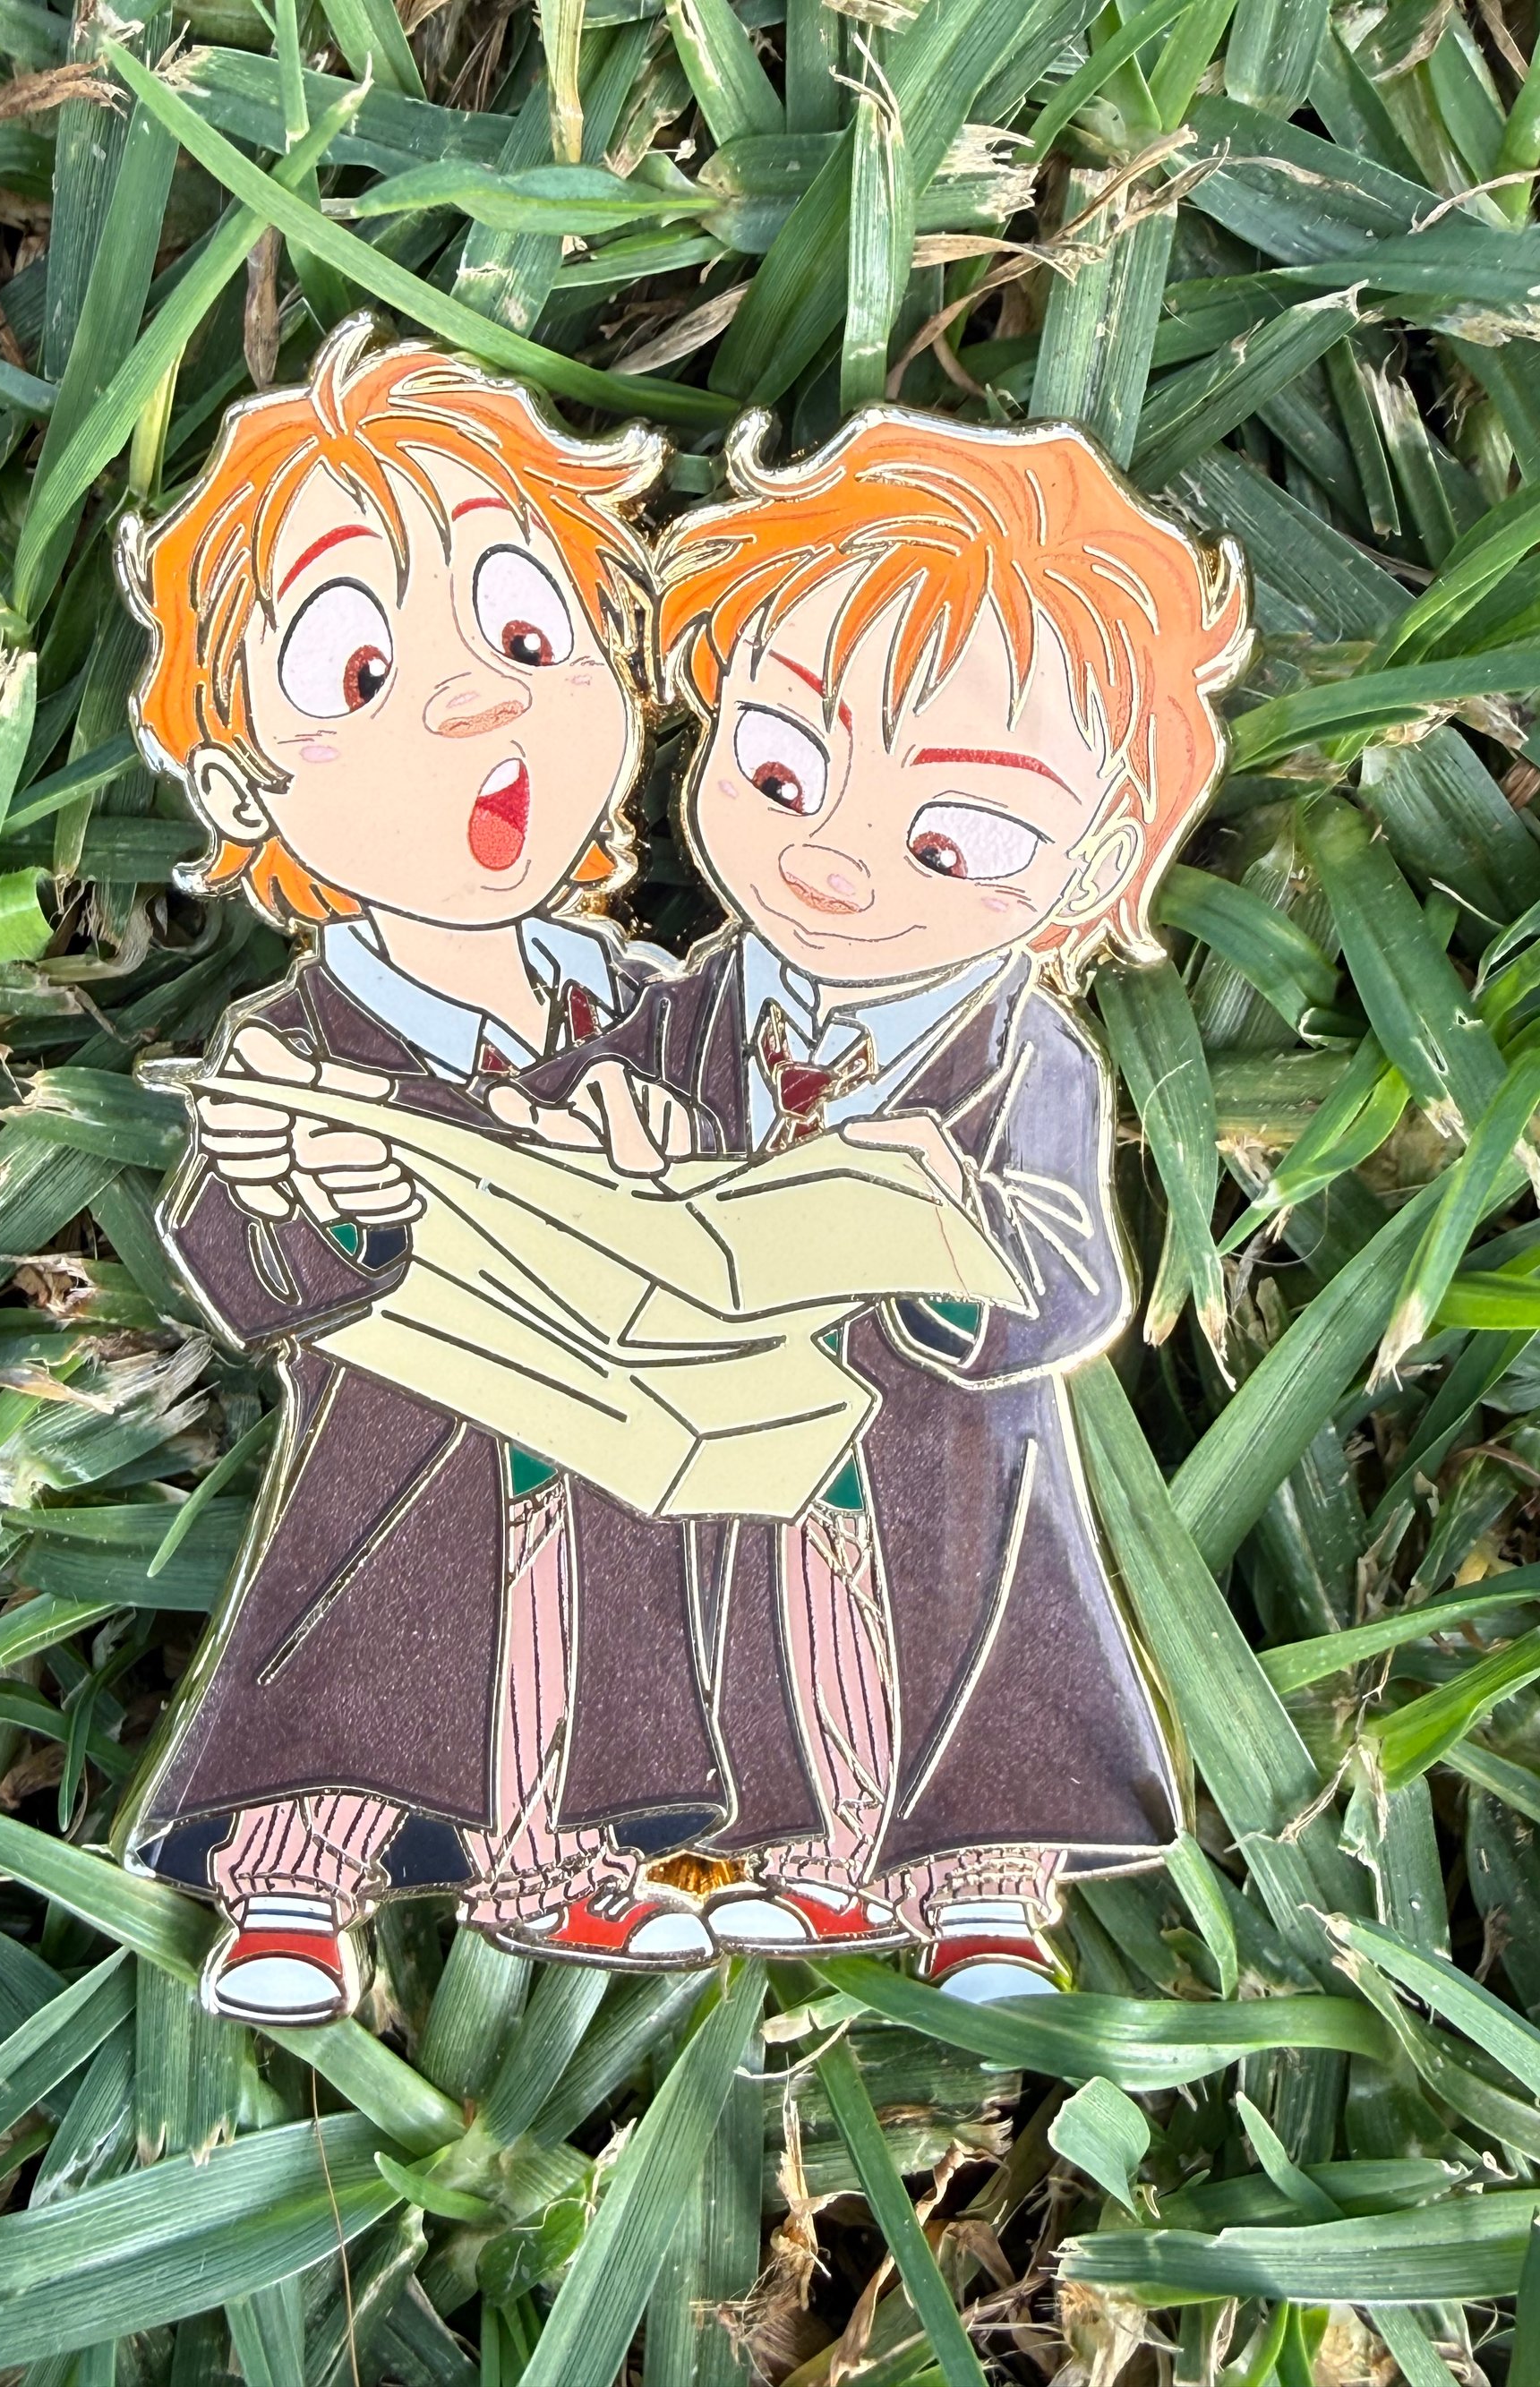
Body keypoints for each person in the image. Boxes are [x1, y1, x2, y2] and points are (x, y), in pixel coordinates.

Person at [496, 405, 1249, 1997]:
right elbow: (593, 1122)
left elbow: (1075, 1281)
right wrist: (609, 1127)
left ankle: (977, 1897)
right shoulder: (697, 1003)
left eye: (953, 839)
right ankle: (784, 1860)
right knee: (761, 1669)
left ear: (1094, 855)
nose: (833, 859)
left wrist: (932, 1237)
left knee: (954, 1686)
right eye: (781, 767)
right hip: (739, 1437)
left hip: (937, 1457)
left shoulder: (1028, 1053)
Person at [116, 320, 725, 2023]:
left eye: (527, 632)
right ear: (240, 782)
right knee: (355, 1663)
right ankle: (292, 1892)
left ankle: (559, 1864)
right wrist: (320, 1193)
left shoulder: (644, 1003)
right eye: (359, 672)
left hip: (605, 1436)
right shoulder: (298, 1035)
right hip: (399, 1444)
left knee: (574, 1656)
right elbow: (232, 1260)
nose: (477, 701)